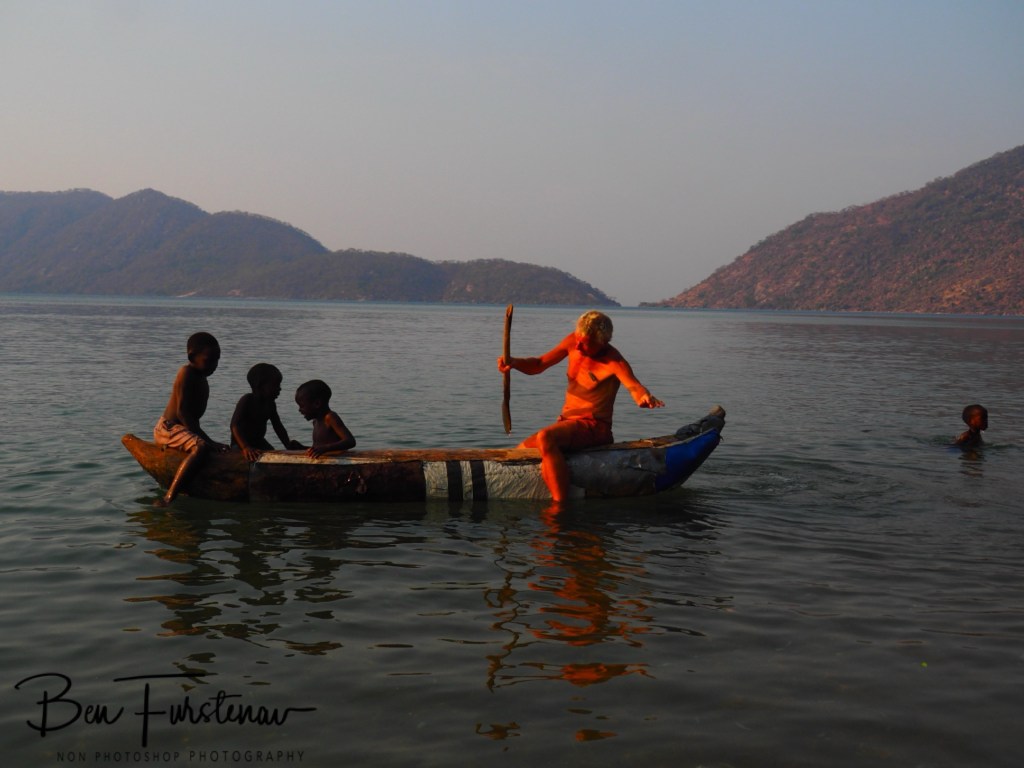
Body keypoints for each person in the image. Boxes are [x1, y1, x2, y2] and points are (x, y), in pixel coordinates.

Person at [497, 310, 664, 503]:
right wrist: (514, 363)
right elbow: (539, 364)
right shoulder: (573, 342)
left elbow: (634, 386)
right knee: (520, 452)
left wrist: (644, 397)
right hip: (567, 423)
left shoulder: (614, 361)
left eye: (584, 342)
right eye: (577, 338)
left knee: (546, 436)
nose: (578, 345)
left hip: (594, 427)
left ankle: (559, 506)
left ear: (602, 341)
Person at [153, 331, 228, 506]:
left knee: (210, 448)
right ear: (192, 356)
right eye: (209, 360)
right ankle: (169, 497)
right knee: (201, 447)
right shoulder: (186, 373)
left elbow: (192, 418)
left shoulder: (201, 377)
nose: (214, 365)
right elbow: (182, 413)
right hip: (168, 428)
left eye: (217, 360)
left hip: (182, 429)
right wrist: (208, 441)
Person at [230, 363, 302, 461]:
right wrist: (245, 447)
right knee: (249, 458)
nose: (279, 388)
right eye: (276, 385)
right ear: (261, 386)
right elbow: (234, 425)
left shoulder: (270, 404)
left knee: (273, 457)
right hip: (239, 444)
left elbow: (278, 426)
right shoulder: (247, 400)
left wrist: (288, 445)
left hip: (259, 442)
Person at [294, 379, 356, 458]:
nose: (300, 410)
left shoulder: (330, 418)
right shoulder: (315, 422)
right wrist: (302, 448)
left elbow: (350, 441)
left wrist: (326, 448)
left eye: (302, 406)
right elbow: (319, 448)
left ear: (317, 404)